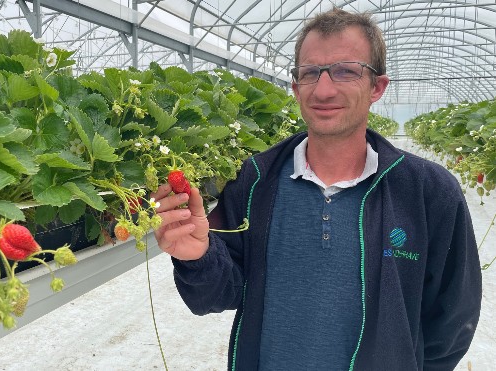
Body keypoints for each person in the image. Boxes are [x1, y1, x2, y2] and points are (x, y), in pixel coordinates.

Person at [151, 7, 482, 371]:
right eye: (310, 73)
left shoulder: (428, 191)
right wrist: (197, 256)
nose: (324, 89)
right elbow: (214, 296)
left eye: (346, 71)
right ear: (295, 87)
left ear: (377, 87)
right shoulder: (255, 180)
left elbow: (451, 321)